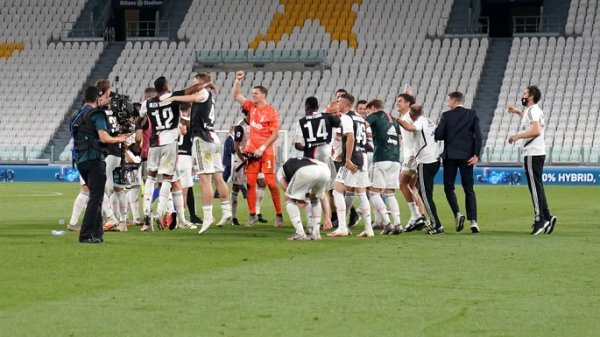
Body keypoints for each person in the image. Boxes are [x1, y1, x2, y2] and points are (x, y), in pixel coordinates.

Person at [71, 86, 129, 243]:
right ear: (98, 98)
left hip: (80, 159)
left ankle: (97, 234)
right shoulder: (97, 114)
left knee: (95, 196)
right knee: (96, 198)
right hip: (94, 158)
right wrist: (119, 139)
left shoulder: (77, 115)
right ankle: (85, 235)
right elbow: (104, 138)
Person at [232, 70, 283, 227]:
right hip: (251, 152)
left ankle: (279, 214)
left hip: (266, 152)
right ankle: (252, 214)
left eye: (256, 93)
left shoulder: (272, 111)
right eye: (252, 93)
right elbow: (236, 96)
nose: (253, 95)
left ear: (263, 95)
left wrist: (262, 147)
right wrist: (238, 81)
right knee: (250, 183)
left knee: (271, 183)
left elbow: (275, 135)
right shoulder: (251, 107)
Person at [185, 73, 232, 234]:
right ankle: (226, 210)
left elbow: (187, 95)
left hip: (202, 139)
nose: (193, 85)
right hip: (213, 137)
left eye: (195, 82)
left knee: (205, 179)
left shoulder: (203, 93)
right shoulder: (209, 96)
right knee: (218, 177)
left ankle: (207, 217)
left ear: (201, 82)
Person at [508, 85, 557, 235]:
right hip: (538, 152)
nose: (522, 95)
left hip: (532, 153)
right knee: (538, 186)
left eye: (524, 93)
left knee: (534, 187)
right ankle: (547, 216)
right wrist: (517, 112)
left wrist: (517, 136)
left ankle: (539, 219)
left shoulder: (533, 111)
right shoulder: (534, 110)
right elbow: (530, 122)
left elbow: (535, 130)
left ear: (531, 96)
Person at [435, 91, 482, 233]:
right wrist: (476, 154)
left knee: (449, 187)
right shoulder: (472, 114)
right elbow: (478, 135)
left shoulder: (446, 116)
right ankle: (473, 221)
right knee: (469, 188)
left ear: (454, 101)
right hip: (467, 156)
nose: (448, 103)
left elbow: (439, 135)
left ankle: (457, 213)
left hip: (450, 156)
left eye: (449, 101)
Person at [328, 93, 373, 238]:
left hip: (352, 159)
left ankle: (342, 227)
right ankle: (368, 229)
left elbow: (351, 137)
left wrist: (347, 158)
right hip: (362, 157)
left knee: (337, 190)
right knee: (361, 192)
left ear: (346, 105)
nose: (337, 104)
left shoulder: (346, 117)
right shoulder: (360, 118)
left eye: (339, 102)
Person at [397, 104, 444, 235]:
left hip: (425, 162)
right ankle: (423, 219)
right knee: (421, 190)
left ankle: (436, 225)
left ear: (411, 114)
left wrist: (399, 120)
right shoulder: (429, 121)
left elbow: (409, 127)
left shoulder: (418, 123)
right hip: (434, 159)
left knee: (425, 195)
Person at [365, 99, 403, 235]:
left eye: (368, 111)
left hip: (381, 157)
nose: (367, 113)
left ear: (373, 108)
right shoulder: (393, 119)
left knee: (373, 191)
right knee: (390, 193)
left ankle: (387, 223)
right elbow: (400, 140)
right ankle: (398, 223)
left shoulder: (375, 116)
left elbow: (363, 126)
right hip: (395, 159)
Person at [230, 108, 268, 226]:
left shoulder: (257, 125)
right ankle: (233, 217)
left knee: (262, 183)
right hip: (241, 159)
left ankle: (256, 212)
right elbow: (236, 146)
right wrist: (243, 159)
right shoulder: (240, 127)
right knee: (236, 187)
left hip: (254, 159)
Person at [277, 157, 331, 240]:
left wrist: (296, 199)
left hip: (305, 172)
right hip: (325, 171)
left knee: (288, 199)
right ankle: (316, 233)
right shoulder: (304, 161)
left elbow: (286, 188)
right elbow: (322, 197)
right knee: (315, 198)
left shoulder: (281, 171)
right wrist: (327, 217)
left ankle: (300, 233)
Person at [395, 93, 427, 231]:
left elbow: (413, 128)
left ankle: (416, 215)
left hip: (412, 157)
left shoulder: (409, 117)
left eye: (400, 101)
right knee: (412, 188)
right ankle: (420, 217)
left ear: (408, 104)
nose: (397, 103)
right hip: (414, 156)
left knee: (402, 184)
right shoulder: (407, 116)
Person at [175, 103, 199, 229]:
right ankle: (181, 220)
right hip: (186, 159)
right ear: (189, 110)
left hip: (175, 156)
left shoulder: (173, 120)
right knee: (183, 192)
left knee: (173, 189)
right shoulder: (189, 123)